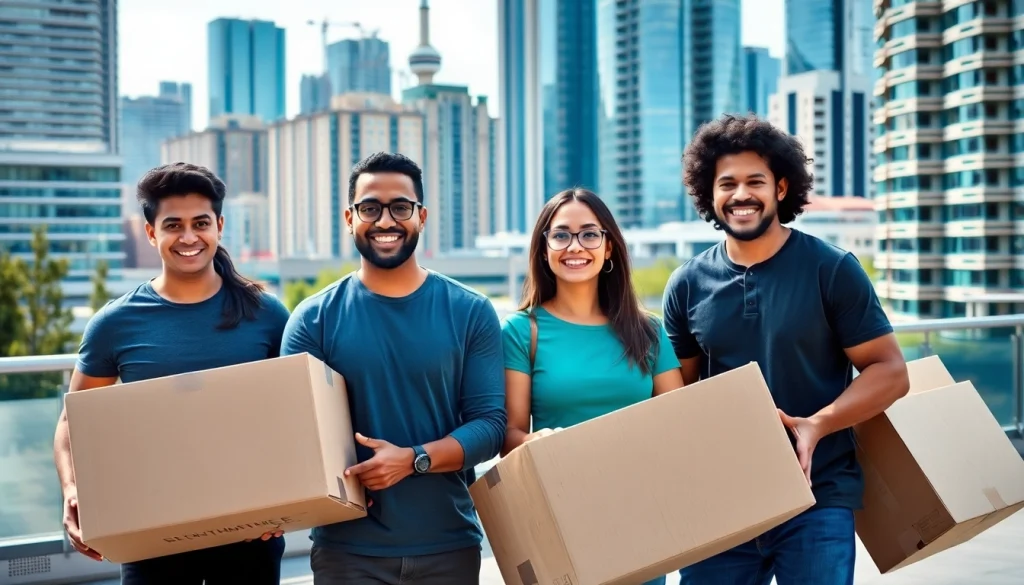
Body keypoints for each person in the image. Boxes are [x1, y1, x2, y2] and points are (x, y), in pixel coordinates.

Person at [661, 114, 909, 584]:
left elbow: (891, 371)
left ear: (780, 188)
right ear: (709, 196)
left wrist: (817, 425)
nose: (740, 195)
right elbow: (677, 392)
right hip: (719, 504)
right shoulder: (686, 284)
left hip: (818, 493)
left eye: (755, 181)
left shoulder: (832, 269)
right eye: (726, 183)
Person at [52, 163, 291, 584]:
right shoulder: (115, 323)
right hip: (151, 531)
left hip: (250, 532)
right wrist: (74, 491)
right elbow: (73, 421)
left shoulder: (266, 314)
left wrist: (291, 500)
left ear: (219, 226)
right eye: (172, 225)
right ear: (150, 233)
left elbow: (295, 416)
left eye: (201, 223)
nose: (188, 237)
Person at [280, 151, 506, 585]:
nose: (386, 221)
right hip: (347, 552)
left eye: (400, 207)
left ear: (421, 216)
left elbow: (490, 426)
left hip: (448, 546)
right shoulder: (312, 320)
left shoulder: (470, 311)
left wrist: (414, 460)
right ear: (349, 218)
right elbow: (293, 439)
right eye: (370, 208)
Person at [499, 188, 683, 585]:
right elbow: (509, 436)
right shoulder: (521, 331)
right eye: (561, 234)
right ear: (544, 247)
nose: (575, 246)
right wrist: (538, 441)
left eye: (589, 234)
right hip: (560, 517)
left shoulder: (648, 332)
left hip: (641, 519)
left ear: (609, 247)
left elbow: (677, 424)